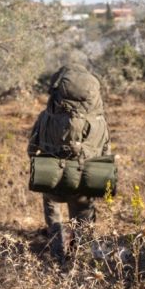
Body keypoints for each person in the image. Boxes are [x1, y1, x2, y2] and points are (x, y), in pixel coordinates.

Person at [27, 64, 110, 260]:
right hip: (83, 182)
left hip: (52, 184)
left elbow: (31, 149)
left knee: (51, 204)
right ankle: (78, 257)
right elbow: (106, 153)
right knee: (82, 217)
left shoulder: (46, 117)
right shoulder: (99, 121)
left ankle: (57, 252)